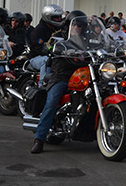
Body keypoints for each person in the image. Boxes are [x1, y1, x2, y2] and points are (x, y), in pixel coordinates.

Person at [31, 10, 90, 154]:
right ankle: (39, 139)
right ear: (69, 24)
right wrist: (55, 49)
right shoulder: (58, 37)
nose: (78, 28)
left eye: (81, 26)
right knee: (51, 102)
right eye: (75, 24)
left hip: (82, 76)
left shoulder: (86, 40)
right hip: (62, 76)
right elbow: (50, 47)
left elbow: (100, 47)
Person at [29, 4, 65, 86]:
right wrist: (50, 50)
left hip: (54, 56)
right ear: (48, 17)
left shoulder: (60, 29)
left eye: (59, 17)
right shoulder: (39, 30)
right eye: (56, 17)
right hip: (36, 58)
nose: (59, 19)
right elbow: (39, 48)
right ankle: (43, 85)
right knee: (46, 61)